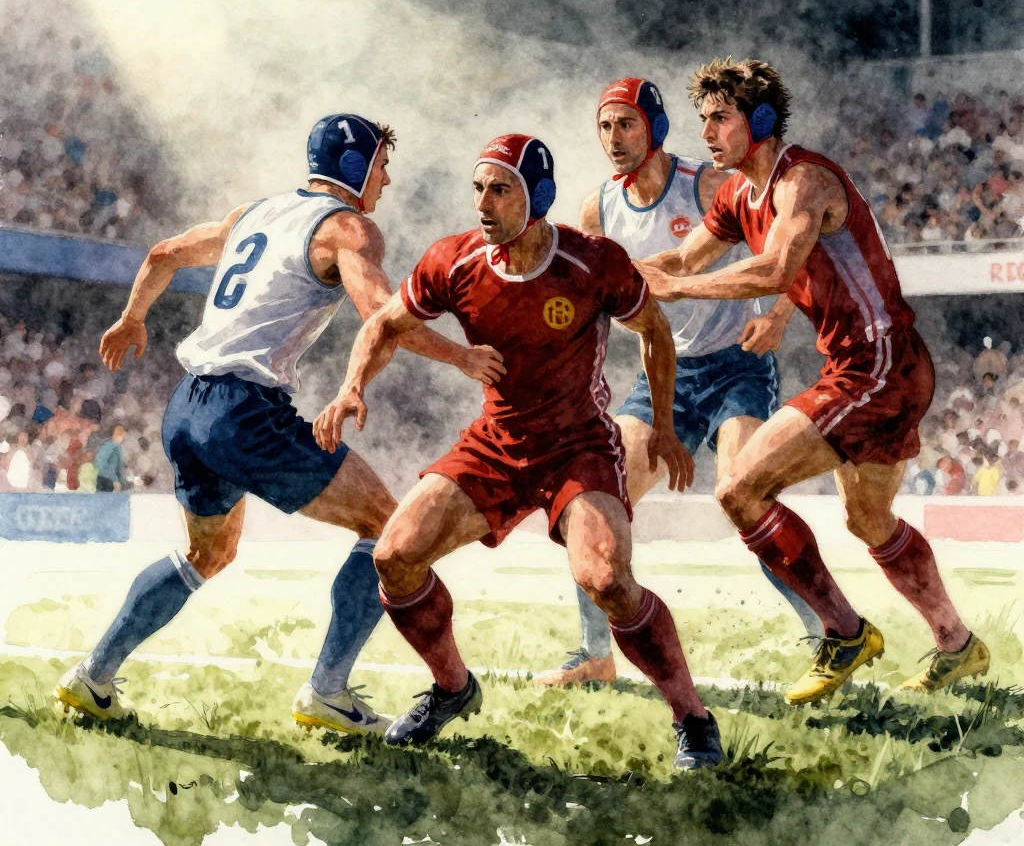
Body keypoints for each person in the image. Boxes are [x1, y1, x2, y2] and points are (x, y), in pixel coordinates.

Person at [54, 114, 502, 735]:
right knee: (387, 530)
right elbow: (381, 315)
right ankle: (328, 692)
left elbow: (163, 254)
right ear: (354, 168)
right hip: (244, 410)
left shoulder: (255, 213)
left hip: (188, 404)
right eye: (381, 166)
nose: (387, 180)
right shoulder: (348, 228)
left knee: (206, 554)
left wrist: (133, 318)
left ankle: (93, 676)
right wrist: (462, 357)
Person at [314, 133, 722, 770]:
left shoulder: (593, 261)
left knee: (606, 580)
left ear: (538, 196)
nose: (483, 203)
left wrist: (664, 428)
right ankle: (452, 688)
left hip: (578, 445)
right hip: (497, 442)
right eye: (478, 188)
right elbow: (384, 323)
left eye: (500, 190)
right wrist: (350, 387)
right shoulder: (454, 260)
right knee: (393, 557)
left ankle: (693, 719)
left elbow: (655, 331)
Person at [636, 58, 990, 701]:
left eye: (721, 118)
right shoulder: (736, 192)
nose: (707, 132)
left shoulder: (804, 180)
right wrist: (608, 274)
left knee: (739, 489)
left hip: (878, 366)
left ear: (760, 120)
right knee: (869, 521)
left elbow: (774, 269)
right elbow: (682, 258)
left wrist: (678, 288)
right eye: (703, 119)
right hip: (876, 366)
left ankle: (843, 632)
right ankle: (957, 644)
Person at [534, 77, 818, 689]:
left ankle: (824, 632)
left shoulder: (709, 184)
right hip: (664, 374)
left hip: (737, 365)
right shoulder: (597, 209)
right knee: (592, 498)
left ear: (656, 128)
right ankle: (596, 653)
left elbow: (789, 254)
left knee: (745, 497)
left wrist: (778, 314)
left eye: (627, 124)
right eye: (605, 126)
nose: (614, 138)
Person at [93, 424, 126, 492]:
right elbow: (100, 462)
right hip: (105, 480)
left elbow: (118, 468)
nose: (122, 438)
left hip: (110, 481)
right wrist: (114, 480)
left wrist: (119, 481)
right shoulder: (109, 445)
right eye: (121, 435)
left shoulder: (117, 447)